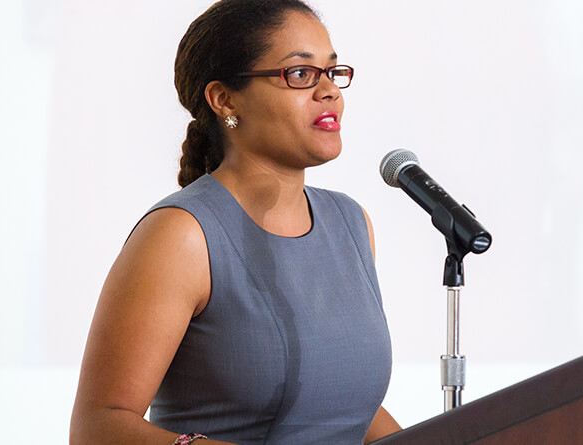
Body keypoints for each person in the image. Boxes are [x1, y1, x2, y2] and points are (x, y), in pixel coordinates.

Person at [69, 1, 400, 444]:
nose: (330, 92)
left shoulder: (352, 224)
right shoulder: (181, 235)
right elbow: (98, 427)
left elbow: (346, 406)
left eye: (332, 72)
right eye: (300, 74)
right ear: (225, 99)